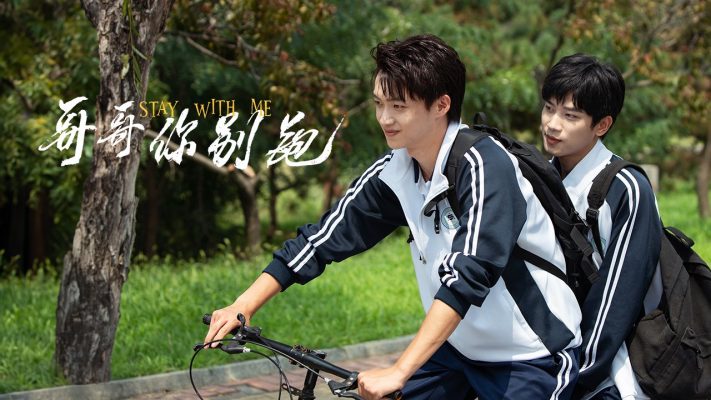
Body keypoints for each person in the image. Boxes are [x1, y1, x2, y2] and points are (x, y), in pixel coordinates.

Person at [205, 34, 582, 400]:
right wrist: (244, 305)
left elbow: (469, 275)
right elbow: (321, 240)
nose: (385, 118)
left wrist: (399, 370)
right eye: (379, 103)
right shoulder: (397, 171)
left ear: (441, 105)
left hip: (530, 353)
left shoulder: (485, 165)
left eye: (399, 106)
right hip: (458, 349)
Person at [540, 54, 662, 400]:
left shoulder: (627, 189)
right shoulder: (537, 179)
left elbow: (619, 296)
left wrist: (578, 375)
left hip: (615, 369)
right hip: (553, 357)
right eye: (548, 108)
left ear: (602, 125)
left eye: (570, 116)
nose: (552, 124)